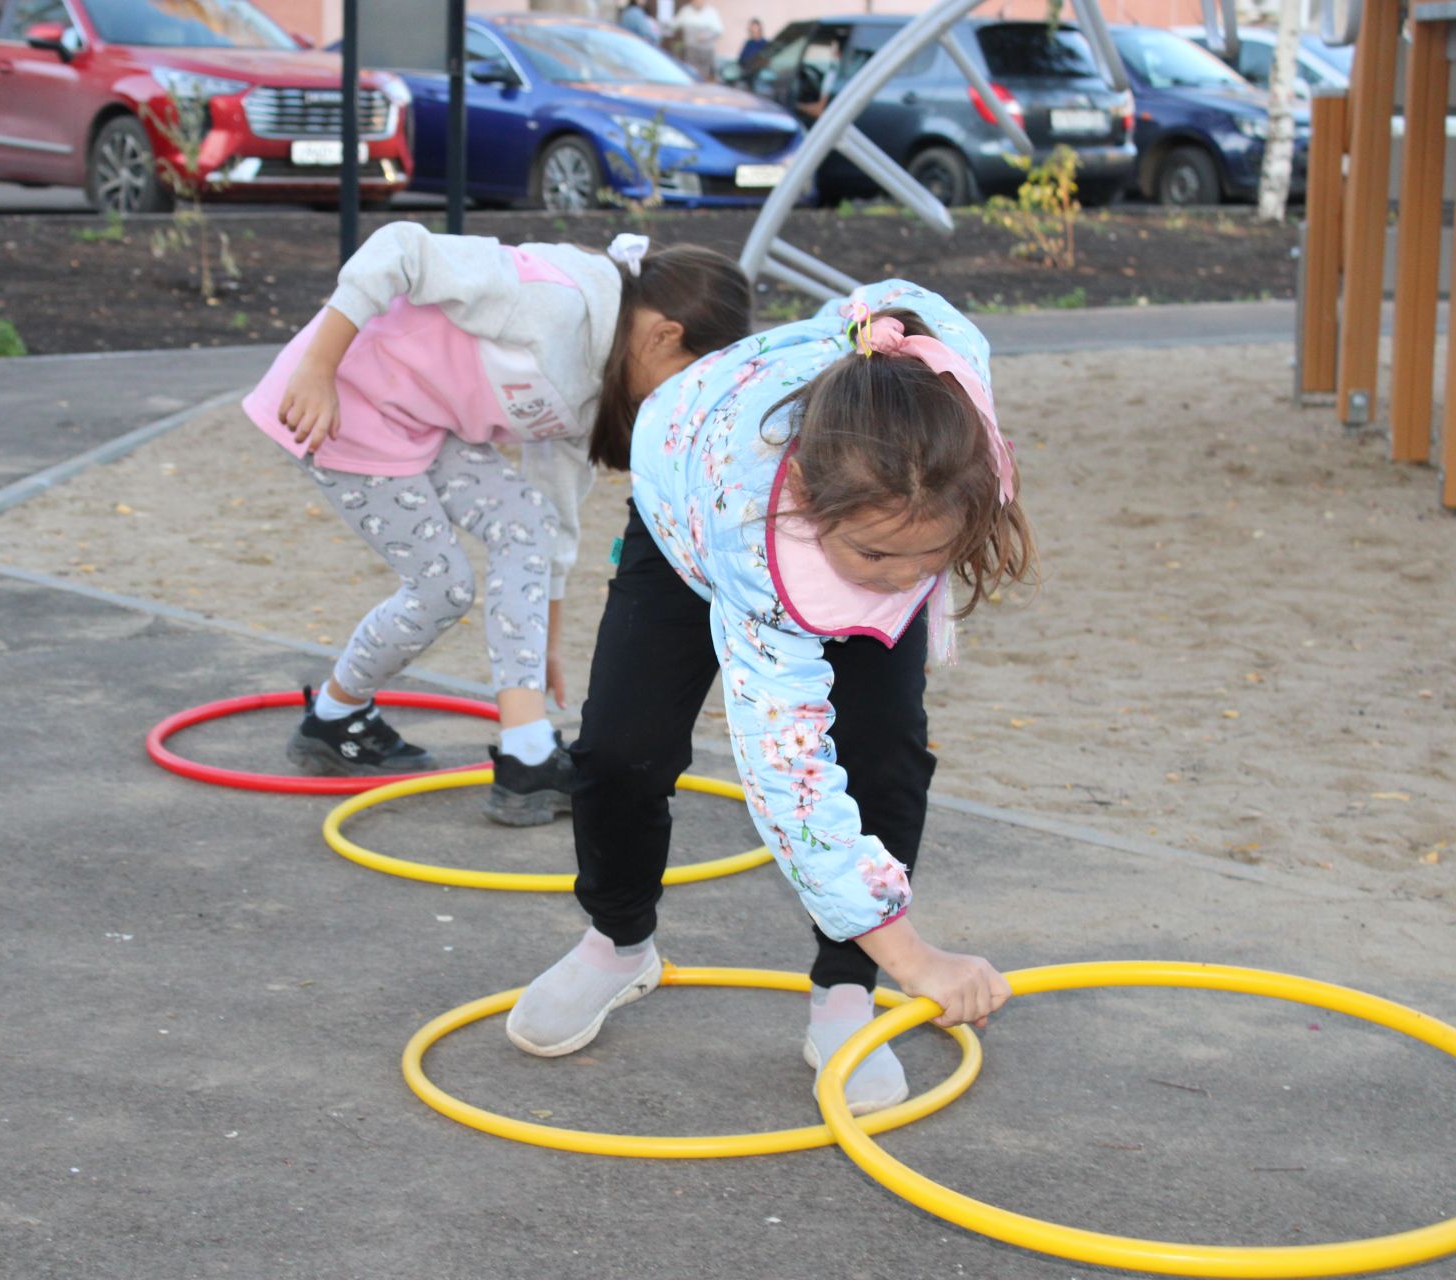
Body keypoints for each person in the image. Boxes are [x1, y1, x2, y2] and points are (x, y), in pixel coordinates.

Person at [506, 280, 1035, 1111]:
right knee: (619, 745)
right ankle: (618, 941)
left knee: (886, 748)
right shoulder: (758, 537)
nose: (901, 580)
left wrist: (892, 567)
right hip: (694, 507)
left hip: (826, 497)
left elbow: (895, 296)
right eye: (876, 559)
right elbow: (789, 778)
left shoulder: (950, 427)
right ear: (814, 511)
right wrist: (916, 958)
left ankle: (844, 991)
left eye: (928, 560)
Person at [246, 226, 751, 826]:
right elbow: (400, 248)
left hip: (419, 424)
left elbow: (556, 516)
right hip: (337, 408)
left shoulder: (595, 393)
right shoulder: (551, 304)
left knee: (525, 522)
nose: (683, 396)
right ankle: (333, 718)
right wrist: (319, 367)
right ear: (666, 336)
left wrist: (546, 647)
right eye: (689, 376)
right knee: (442, 588)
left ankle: (526, 753)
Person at [667, 0, 724, 80]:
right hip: (691, 48)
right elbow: (674, 24)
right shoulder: (686, 11)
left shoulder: (711, 12)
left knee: (703, 74)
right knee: (691, 72)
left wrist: (706, 36)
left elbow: (719, 31)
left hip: (705, 50)